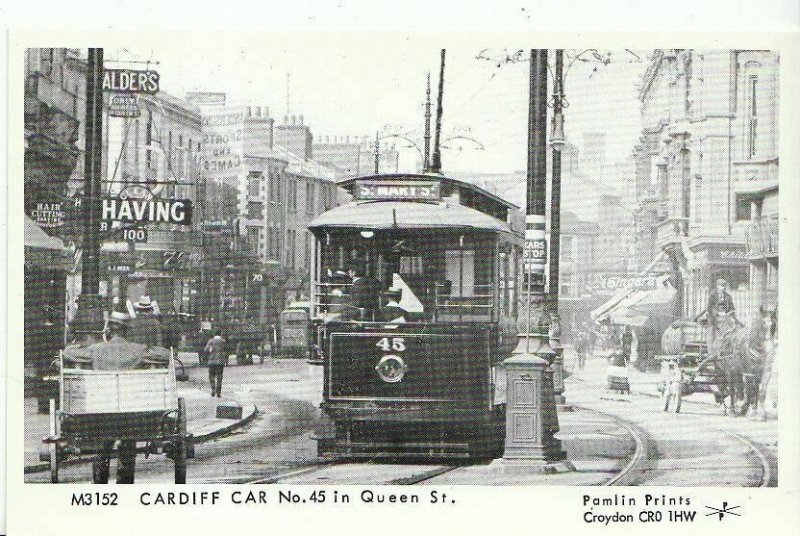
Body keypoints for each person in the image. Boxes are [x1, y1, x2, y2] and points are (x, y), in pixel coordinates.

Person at [204, 331, 227, 398]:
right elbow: (226, 350)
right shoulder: (223, 341)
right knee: (219, 378)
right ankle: (218, 392)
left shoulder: (211, 341)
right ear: (220, 334)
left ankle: (213, 389)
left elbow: (206, 349)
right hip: (220, 362)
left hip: (212, 362)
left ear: (214, 334)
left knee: (211, 376)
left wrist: (210, 349)